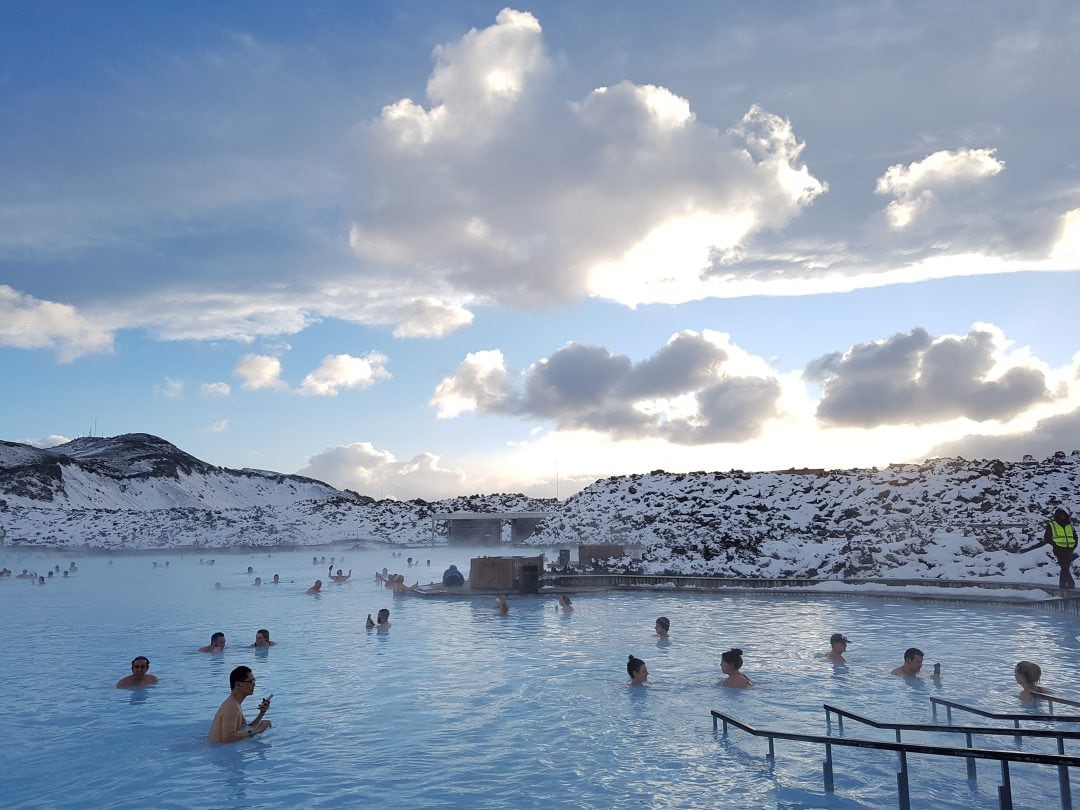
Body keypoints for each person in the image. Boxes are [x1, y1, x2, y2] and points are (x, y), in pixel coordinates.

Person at [1013, 508, 1077, 589]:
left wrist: (1074, 544)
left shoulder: (1070, 524)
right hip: (1059, 549)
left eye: (1064, 515)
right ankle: (1071, 583)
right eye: (1061, 515)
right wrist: (1055, 544)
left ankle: (1062, 584)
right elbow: (1047, 537)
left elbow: (1075, 536)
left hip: (1069, 548)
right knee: (1064, 566)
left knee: (1065, 567)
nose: (1063, 517)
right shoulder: (1052, 524)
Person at [207, 666, 272, 743]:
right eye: (250, 681)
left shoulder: (235, 704)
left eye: (254, 681)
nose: (254, 684)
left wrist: (262, 713)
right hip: (217, 750)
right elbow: (227, 739)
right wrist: (257, 731)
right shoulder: (232, 706)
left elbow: (246, 728)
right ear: (238, 685)